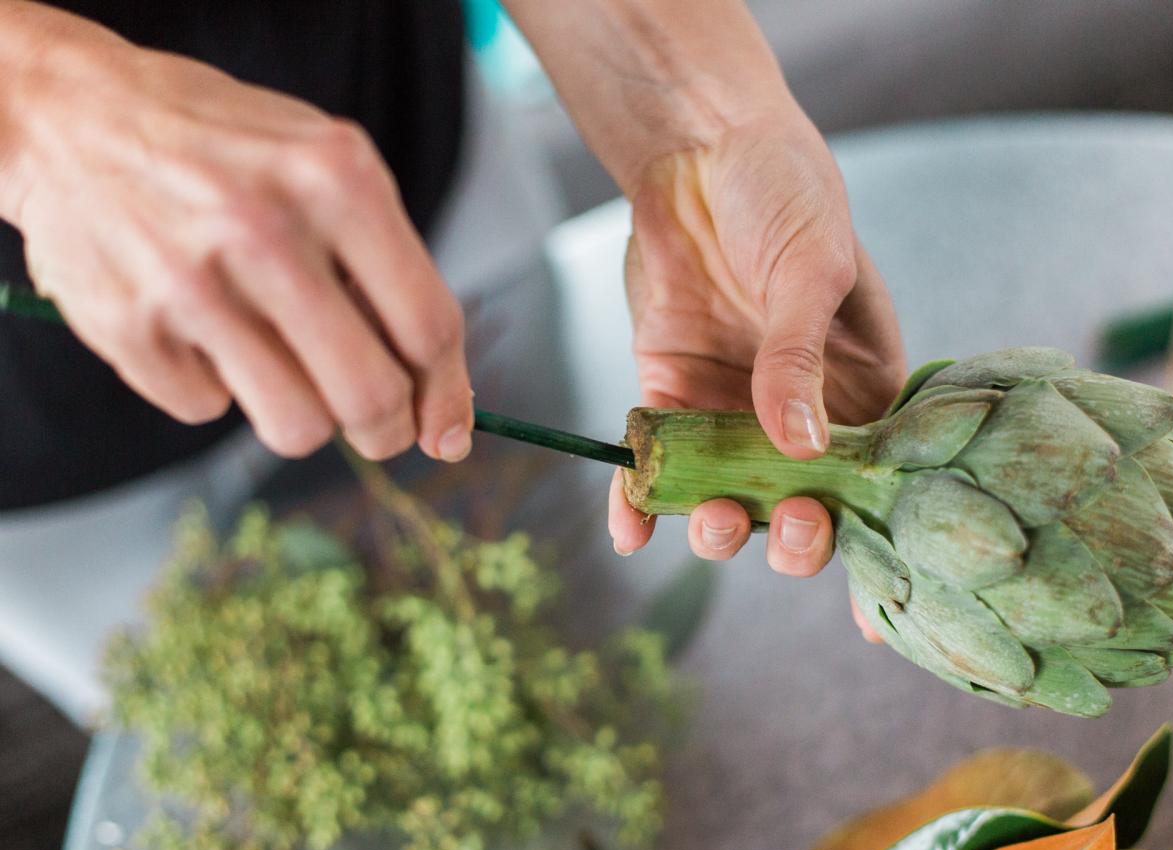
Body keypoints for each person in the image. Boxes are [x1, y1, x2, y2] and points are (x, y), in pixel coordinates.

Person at [0, 0, 904, 586]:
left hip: (407, 183)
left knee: (570, 581)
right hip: (52, 478)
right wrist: (30, 111)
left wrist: (697, 131)